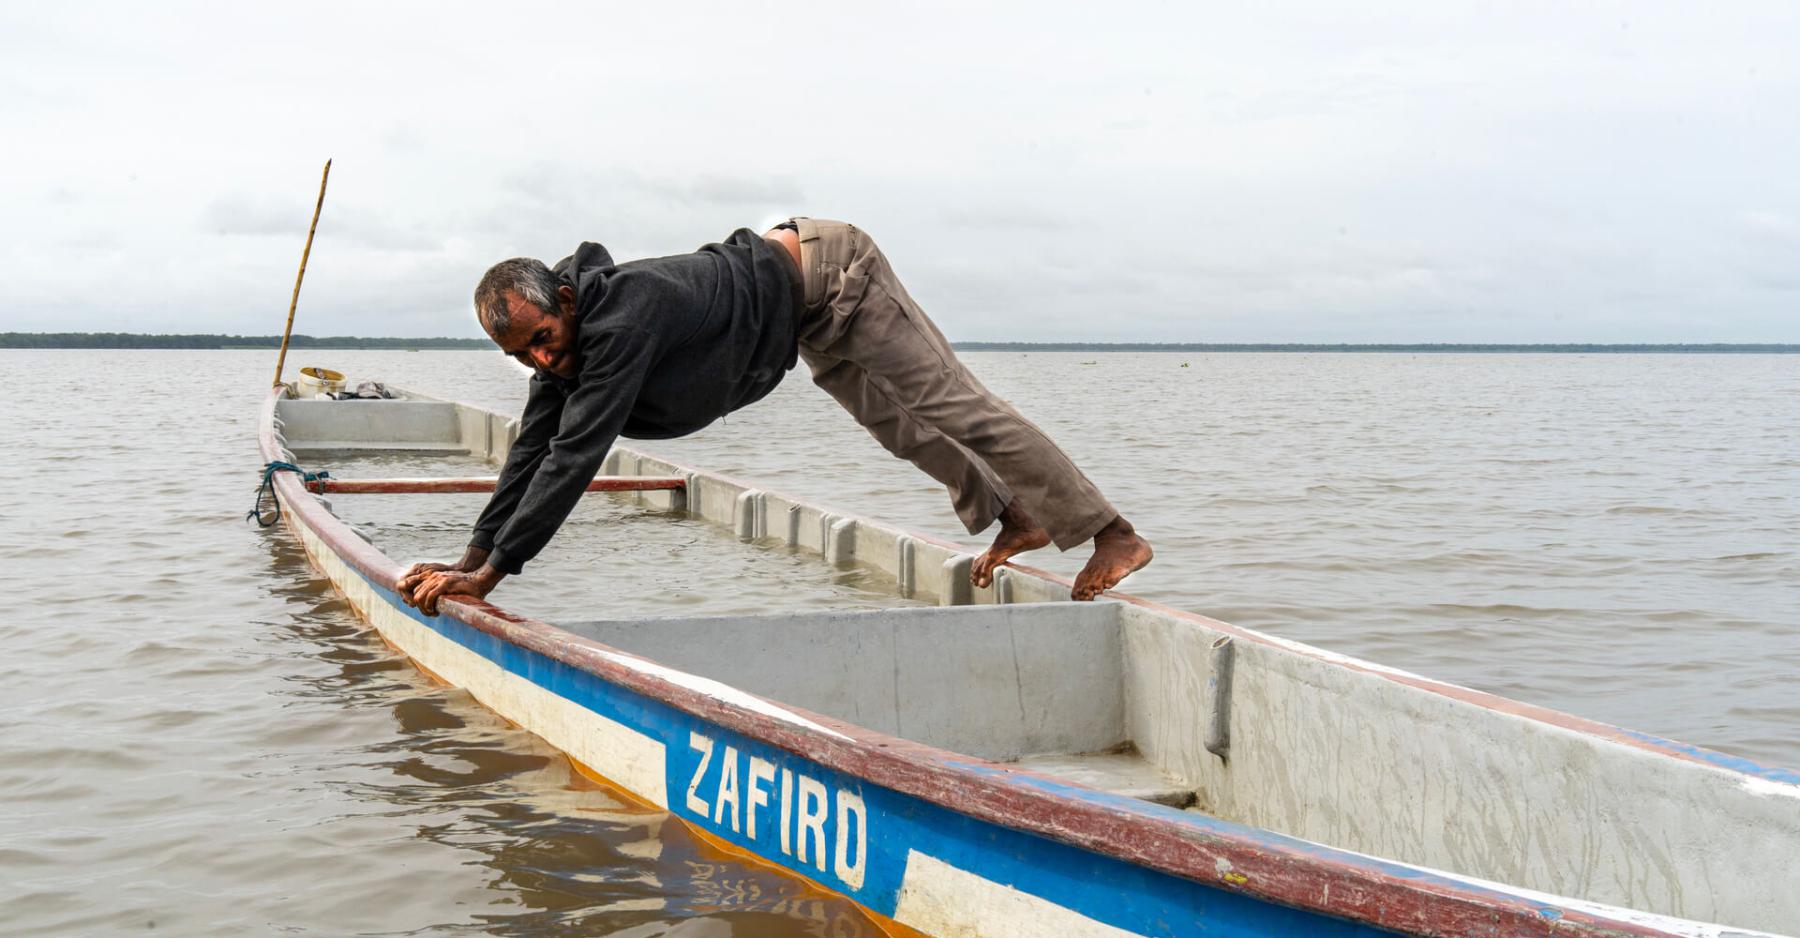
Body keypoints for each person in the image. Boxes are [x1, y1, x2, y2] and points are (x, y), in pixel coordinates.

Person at [399, 218, 1151, 615]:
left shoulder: (620, 323)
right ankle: (1014, 514)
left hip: (834, 273)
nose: (541, 362)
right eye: (521, 356)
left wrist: (498, 572)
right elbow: (534, 446)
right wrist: (469, 557)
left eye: (544, 341)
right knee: (899, 427)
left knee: (953, 405)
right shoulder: (567, 346)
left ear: (566, 303)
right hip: (802, 318)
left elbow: (575, 455)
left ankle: (1112, 533)